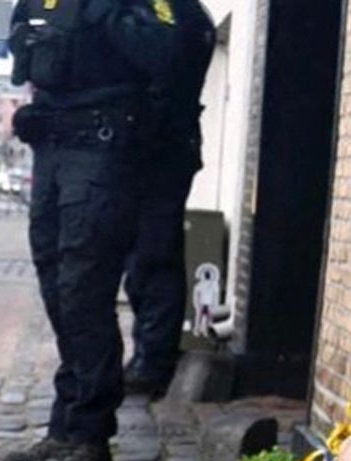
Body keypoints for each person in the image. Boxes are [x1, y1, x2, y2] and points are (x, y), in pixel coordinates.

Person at [1, 0, 178, 461]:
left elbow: (166, 50)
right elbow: (25, 54)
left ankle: (89, 437)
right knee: (57, 287)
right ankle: (67, 425)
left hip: (103, 152)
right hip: (54, 149)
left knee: (84, 289)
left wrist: (105, 13)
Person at [122, 0, 215, 398]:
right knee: (143, 257)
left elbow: (166, 64)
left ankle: (153, 360)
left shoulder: (171, 10)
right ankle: (148, 354)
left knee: (152, 255)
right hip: (158, 148)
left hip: (161, 150)